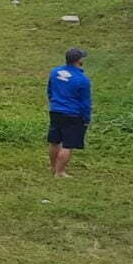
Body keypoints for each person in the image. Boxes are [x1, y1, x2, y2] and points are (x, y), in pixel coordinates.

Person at [47, 48, 92, 177]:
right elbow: (85, 102)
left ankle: (53, 167)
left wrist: (54, 103)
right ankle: (60, 172)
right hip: (72, 114)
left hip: (55, 110)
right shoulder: (82, 80)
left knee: (54, 141)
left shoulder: (55, 72)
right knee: (68, 144)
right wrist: (86, 118)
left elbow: (50, 90)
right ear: (79, 61)